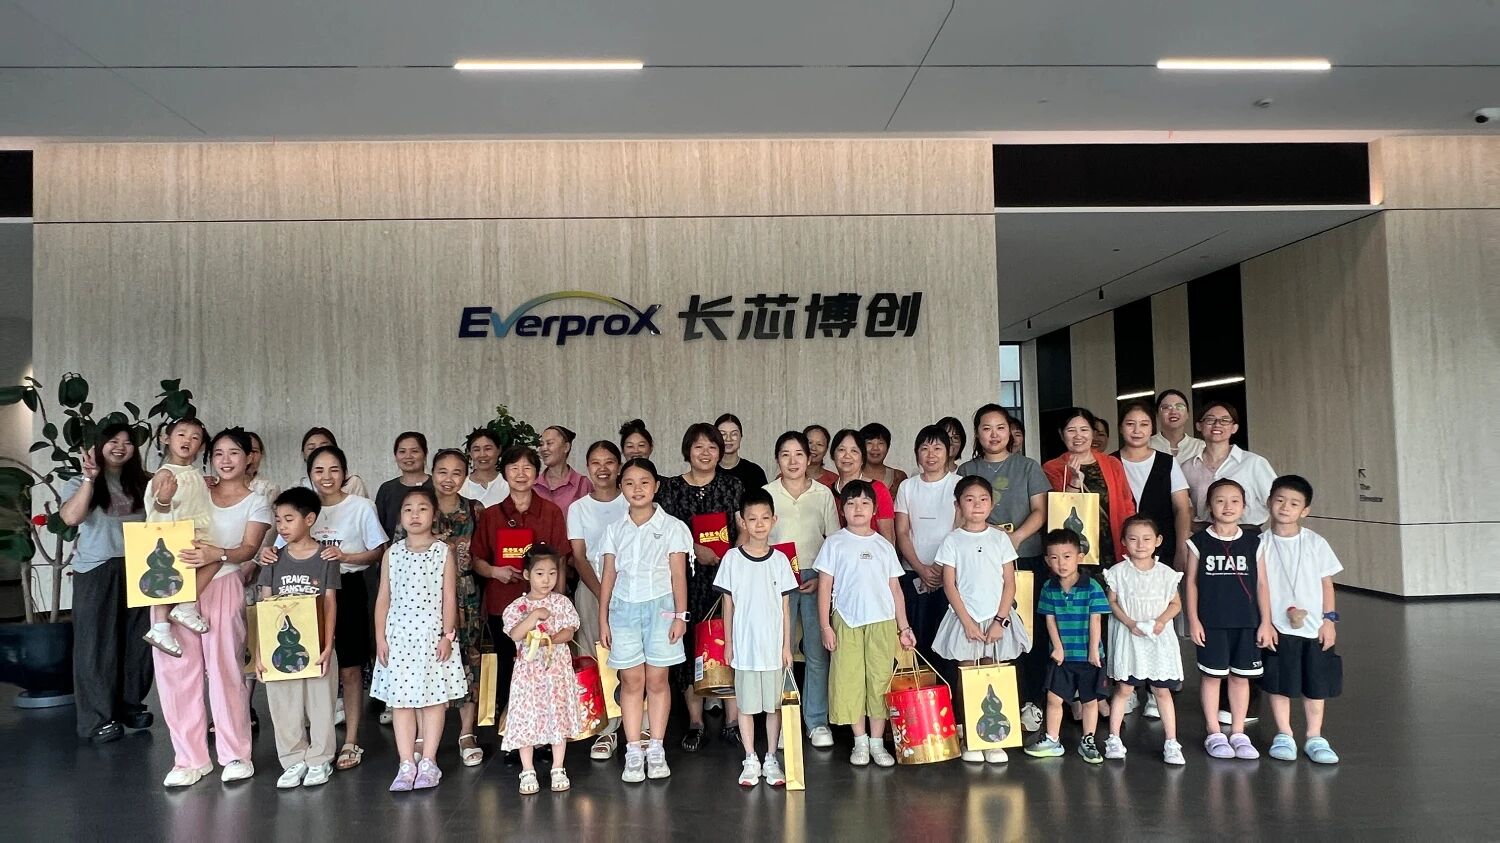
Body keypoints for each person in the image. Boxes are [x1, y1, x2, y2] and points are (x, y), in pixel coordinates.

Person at [152, 428, 268, 788]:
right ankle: (189, 758)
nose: (226, 460)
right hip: (175, 584)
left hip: (223, 583)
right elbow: (160, 516)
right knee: (176, 672)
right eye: (218, 453)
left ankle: (235, 754)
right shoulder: (195, 487)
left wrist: (217, 553)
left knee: (225, 670)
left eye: (234, 453)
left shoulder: (257, 501)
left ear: (249, 458)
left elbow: (248, 548)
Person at [276, 444, 387, 772]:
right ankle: (310, 744)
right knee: (308, 666)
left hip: (348, 588)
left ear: (345, 473)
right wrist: (268, 554)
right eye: (319, 470)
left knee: (350, 667)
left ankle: (351, 739)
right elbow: (280, 547)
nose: (326, 476)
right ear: (309, 474)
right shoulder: (300, 506)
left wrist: (345, 556)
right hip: (304, 594)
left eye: (334, 470)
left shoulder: (361, 507)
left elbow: (378, 551)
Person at [598, 458, 692, 783]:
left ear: (656, 486)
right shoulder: (614, 530)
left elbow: (678, 576)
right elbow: (608, 577)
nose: (637, 489)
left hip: (661, 609)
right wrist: (603, 619)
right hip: (623, 611)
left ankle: (656, 747)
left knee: (657, 680)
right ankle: (633, 750)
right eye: (629, 483)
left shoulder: (673, 527)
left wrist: (680, 616)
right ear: (621, 487)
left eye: (644, 482)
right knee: (631, 680)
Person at [958, 405, 1049, 731]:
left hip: (1023, 557)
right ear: (977, 433)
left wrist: (1015, 538)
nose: (994, 434)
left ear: (1010, 432)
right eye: (986, 428)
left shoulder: (1028, 467)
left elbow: (1041, 511)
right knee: (981, 633)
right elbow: (958, 515)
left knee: (1025, 633)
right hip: (978, 565)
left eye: (1000, 427)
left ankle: (1030, 700)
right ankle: (981, 710)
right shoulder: (966, 469)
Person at [372, 488, 468, 792]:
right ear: (401, 516)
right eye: (408, 509)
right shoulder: (392, 553)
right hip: (399, 636)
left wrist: (447, 635)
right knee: (400, 702)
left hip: (431, 635)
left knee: (434, 700)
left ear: (434, 514)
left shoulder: (442, 552)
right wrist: (380, 638)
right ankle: (405, 762)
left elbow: (449, 597)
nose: (415, 515)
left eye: (422, 508)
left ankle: (429, 760)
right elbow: (383, 598)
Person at [394, 449, 486, 767]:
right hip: (422, 603)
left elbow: (483, 555)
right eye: (442, 471)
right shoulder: (419, 507)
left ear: (466, 476)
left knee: (469, 662)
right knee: (424, 666)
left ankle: (466, 733)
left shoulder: (474, 510)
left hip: (466, 598)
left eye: (457, 472)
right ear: (432, 473)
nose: (449, 479)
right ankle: (422, 736)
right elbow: (397, 557)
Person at [61, 423, 152, 744]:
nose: (120, 447)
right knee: (96, 644)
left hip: (141, 568)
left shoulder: (144, 483)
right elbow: (70, 518)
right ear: (99, 446)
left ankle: (130, 705)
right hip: (97, 569)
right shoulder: (79, 481)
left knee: (139, 643)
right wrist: (90, 479)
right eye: (113, 441)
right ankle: (97, 719)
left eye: (127, 442)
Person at [816, 480, 917, 768]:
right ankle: (859, 741)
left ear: (874, 509)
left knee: (879, 681)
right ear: (842, 510)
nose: (857, 508)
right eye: (851, 503)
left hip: (882, 622)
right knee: (849, 681)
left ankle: (877, 742)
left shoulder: (883, 545)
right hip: (846, 621)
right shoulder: (834, 543)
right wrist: (825, 626)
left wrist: (904, 628)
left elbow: (895, 589)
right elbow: (824, 587)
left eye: (864, 503)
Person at [658, 422, 746, 750]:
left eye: (712, 446)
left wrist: (732, 558)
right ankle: (695, 722)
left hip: (727, 578)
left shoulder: (733, 486)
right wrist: (696, 550)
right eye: (698, 446)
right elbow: (666, 533)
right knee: (689, 647)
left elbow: (743, 529)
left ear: (720, 452)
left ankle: (733, 721)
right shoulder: (671, 489)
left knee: (728, 643)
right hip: (685, 580)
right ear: (688, 451)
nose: (705, 453)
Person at [930, 475, 1026, 765]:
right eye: (969, 499)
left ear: (992, 503)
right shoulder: (952, 540)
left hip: (996, 618)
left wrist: (1000, 621)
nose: (977, 505)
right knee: (968, 676)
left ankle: (995, 739)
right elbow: (949, 585)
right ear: (958, 505)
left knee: (993, 674)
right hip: (965, 619)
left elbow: (1010, 583)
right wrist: (968, 623)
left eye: (983, 499)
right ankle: (972, 736)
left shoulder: (1000, 539)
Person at [472, 445, 570, 720]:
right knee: (508, 664)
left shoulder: (551, 512)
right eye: (514, 468)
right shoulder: (491, 515)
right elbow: (477, 559)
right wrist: (495, 571)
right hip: (503, 602)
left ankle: (544, 725)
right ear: (504, 473)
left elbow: (561, 560)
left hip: (544, 606)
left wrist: (558, 600)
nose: (521, 473)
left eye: (527, 467)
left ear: (537, 473)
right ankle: (511, 723)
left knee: (544, 663)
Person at [257, 487, 340, 789]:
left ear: (309, 519)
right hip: (279, 648)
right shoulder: (272, 559)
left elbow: (329, 601)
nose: (282, 526)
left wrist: (328, 644)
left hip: (317, 644)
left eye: (289, 519)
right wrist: (261, 651)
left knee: (321, 703)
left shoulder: (326, 556)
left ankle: (320, 759)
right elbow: (265, 605)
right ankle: (293, 759)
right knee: (284, 704)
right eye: (278, 520)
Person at [1185, 478, 1273, 760]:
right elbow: (1191, 583)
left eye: (1235, 501)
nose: (1228, 506)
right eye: (1220, 500)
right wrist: (1194, 620)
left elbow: (1262, 584)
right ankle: (1213, 730)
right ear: (1209, 506)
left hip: (1246, 622)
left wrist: (1266, 621)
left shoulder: (1254, 542)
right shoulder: (1198, 542)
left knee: (1240, 678)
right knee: (1212, 677)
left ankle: (1238, 731)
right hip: (1212, 622)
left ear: (1244, 506)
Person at [764, 431, 841, 750]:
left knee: (816, 650)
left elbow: (834, 541)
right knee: (779, 652)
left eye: (799, 454)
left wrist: (822, 578)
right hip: (776, 578)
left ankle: (817, 721)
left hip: (813, 577)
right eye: (785, 454)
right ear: (777, 459)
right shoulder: (767, 493)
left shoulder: (823, 494)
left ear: (809, 458)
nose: (793, 461)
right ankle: (784, 721)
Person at [715, 489, 797, 787]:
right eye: (752, 519)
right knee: (746, 706)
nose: (759, 524)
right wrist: (729, 644)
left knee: (774, 706)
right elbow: (728, 605)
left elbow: (786, 608)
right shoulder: (732, 559)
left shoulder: (780, 560)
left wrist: (786, 646)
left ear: (774, 520)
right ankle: (750, 757)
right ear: (742, 522)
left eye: (765, 518)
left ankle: (771, 757)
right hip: (745, 648)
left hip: (773, 649)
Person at [1260, 475, 1344, 765]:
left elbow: (1326, 584)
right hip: (1277, 627)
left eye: (1294, 503)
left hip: (1313, 627)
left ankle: (1314, 736)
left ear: (1305, 511)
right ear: (1269, 502)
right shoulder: (1260, 544)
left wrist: (1329, 620)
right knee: (1278, 682)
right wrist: (1266, 623)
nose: (1285, 507)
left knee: (1316, 683)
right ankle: (1284, 733)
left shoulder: (1315, 543)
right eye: (1280, 500)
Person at [1101, 515, 1185, 765]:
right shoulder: (1118, 572)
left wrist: (1160, 622)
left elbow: (1176, 604)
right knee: (1124, 689)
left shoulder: (1166, 574)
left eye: (1147, 539)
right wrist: (1129, 623)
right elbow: (1112, 601)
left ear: (1158, 541)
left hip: (1158, 639)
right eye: (1133, 539)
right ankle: (1114, 738)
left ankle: (1171, 742)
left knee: (1162, 690)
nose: (1140, 544)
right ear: (1124, 542)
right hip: (1130, 636)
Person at [566, 441, 632, 760]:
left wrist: (618, 590)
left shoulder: (631, 500)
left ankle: (640, 726)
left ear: (619, 466)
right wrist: (602, 592)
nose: (602, 468)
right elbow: (579, 557)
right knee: (598, 654)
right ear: (587, 467)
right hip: (592, 589)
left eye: (609, 462)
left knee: (634, 655)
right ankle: (607, 728)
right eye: (595, 462)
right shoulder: (578, 508)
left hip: (632, 588)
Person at [502, 545, 584, 794]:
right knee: (526, 717)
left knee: (557, 714)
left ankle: (558, 766)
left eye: (552, 573)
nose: (546, 579)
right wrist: (534, 615)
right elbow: (515, 634)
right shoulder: (517, 607)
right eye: (539, 573)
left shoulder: (562, 602)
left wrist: (552, 639)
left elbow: (569, 631)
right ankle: (527, 769)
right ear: (527, 575)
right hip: (528, 675)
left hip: (555, 672)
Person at [1023, 529, 1110, 764]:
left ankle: (1088, 740)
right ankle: (1052, 739)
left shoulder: (1092, 587)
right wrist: (1057, 647)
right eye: (1054, 557)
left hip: (1088, 656)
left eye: (1067, 556)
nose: (1061, 563)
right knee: (1054, 698)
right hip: (1062, 656)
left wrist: (1093, 650)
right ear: (1047, 560)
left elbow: (1096, 620)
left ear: (1080, 557)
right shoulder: (1049, 588)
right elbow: (1049, 619)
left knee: (1089, 701)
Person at [141, 417, 214, 658]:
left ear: (201, 445)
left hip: (193, 531)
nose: (187, 440)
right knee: (164, 576)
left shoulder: (192, 473)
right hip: (172, 532)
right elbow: (157, 508)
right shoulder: (165, 473)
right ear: (166, 438)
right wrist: (164, 499)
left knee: (210, 560)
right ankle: (164, 623)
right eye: (181, 434)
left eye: (195, 437)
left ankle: (177, 613)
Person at [1041, 408, 1136, 573]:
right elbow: (1058, 512)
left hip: (1111, 545)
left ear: (1093, 433)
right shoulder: (1052, 468)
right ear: (1062, 434)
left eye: (1084, 430)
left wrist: (1131, 541)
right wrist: (1074, 481)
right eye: (1071, 430)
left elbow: (1127, 505)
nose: (1078, 436)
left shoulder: (1112, 463)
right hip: (1073, 550)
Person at [893, 425, 959, 657]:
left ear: (948, 452)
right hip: (914, 572)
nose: (931, 455)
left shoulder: (959, 484)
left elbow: (960, 530)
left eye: (937, 448)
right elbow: (902, 532)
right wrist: (921, 569)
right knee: (917, 639)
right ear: (916, 453)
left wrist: (939, 569)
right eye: (924, 448)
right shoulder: (907, 486)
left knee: (948, 641)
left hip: (951, 573)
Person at [1114, 401, 1193, 570]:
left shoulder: (1167, 462)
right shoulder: (1109, 463)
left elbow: (1182, 509)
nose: (1137, 430)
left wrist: (1181, 548)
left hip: (1162, 551)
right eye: (1130, 424)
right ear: (1120, 428)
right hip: (1117, 551)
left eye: (1144, 424)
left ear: (1152, 429)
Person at [1181, 402, 1277, 529]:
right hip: (1204, 534)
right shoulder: (1187, 467)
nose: (1217, 424)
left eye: (1225, 420)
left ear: (1234, 428)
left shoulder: (1254, 463)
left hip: (1247, 534)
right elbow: (1181, 507)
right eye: (1210, 420)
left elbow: (1276, 501)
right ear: (1199, 425)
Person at [828, 428, 896, 544]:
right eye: (841, 450)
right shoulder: (826, 491)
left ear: (863, 458)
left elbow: (888, 538)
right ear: (833, 455)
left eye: (854, 451)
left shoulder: (878, 489)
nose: (847, 456)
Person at [374, 432, 432, 538]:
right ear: (395, 456)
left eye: (414, 451)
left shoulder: (437, 486)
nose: (408, 456)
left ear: (425, 454)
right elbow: (378, 530)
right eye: (402, 452)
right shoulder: (386, 489)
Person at [297, 428, 369, 498]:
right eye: (311, 448)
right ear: (303, 454)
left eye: (324, 447)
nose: (318, 452)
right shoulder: (298, 487)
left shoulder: (353, 483)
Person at [535, 425, 591, 516]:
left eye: (549, 443)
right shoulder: (533, 485)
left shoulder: (582, 484)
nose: (544, 449)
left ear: (566, 447)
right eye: (541, 444)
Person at [716, 413, 769, 491]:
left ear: (741, 436)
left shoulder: (755, 472)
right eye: (723, 434)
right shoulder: (706, 471)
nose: (728, 439)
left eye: (734, 434)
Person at [1150, 389, 1204, 462]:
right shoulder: (1147, 445)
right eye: (1166, 407)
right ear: (1157, 414)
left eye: (1179, 406)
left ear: (1187, 414)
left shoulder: (1200, 447)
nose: (1173, 412)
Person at [461, 428, 509, 508]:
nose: (482, 454)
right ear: (469, 452)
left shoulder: (509, 484)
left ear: (499, 450)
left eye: (488, 449)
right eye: (476, 450)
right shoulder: (461, 486)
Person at [860, 422, 908, 493]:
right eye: (869, 443)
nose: (875, 448)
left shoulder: (898, 477)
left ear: (887, 448)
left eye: (880, 443)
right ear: (860, 447)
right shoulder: (851, 475)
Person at [246, 431, 279, 502]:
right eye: (245, 451)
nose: (250, 457)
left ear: (261, 454)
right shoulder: (220, 486)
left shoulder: (270, 489)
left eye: (254, 451)